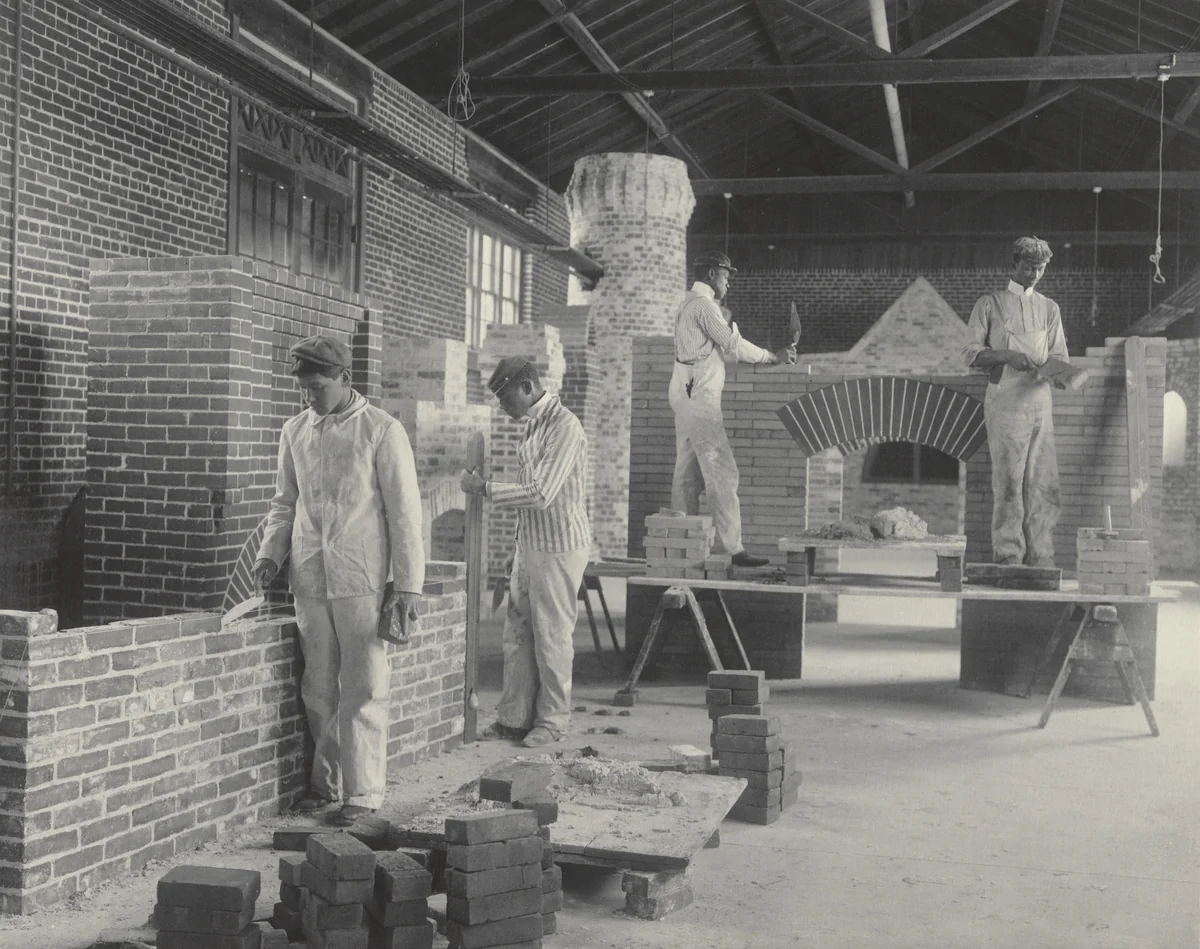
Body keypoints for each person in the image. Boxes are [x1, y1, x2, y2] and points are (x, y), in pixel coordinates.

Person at [253, 335, 424, 826]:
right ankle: (324, 785)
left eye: (318, 387)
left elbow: (405, 514)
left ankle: (363, 794)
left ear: (345, 379)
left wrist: (408, 584)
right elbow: (284, 502)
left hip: (361, 578)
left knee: (365, 687)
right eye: (304, 389)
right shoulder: (294, 430)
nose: (310, 397)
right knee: (318, 686)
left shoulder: (381, 430)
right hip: (309, 577)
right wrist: (271, 554)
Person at [460, 356, 590, 748]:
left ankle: (552, 721)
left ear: (527, 388)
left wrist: (485, 488)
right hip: (531, 545)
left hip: (559, 547)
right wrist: (517, 549)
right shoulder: (533, 425)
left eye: (504, 398)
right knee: (516, 634)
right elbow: (528, 490)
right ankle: (514, 718)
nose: (502, 407)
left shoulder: (565, 427)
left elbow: (541, 493)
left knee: (551, 636)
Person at [671, 250, 797, 568]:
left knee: (687, 475)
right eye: (726, 276)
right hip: (701, 400)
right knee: (723, 472)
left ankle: (676, 541)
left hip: (685, 396)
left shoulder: (687, 304)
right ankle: (734, 549)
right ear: (712, 274)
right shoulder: (703, 306)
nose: (728, 283)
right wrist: (773, 356)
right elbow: (732, 345)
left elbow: (713, 348)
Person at [963, 236, 1069, 567]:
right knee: (1009, 483)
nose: (1035, 274)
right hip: (1005, 404)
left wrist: (1061, 375)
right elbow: (969, 354)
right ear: (1014, 265)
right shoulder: (990, 304)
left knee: (1043, 483)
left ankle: (1041, 556)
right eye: (1029, 267)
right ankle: (1008, 555)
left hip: (1040, 404)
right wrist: (1007, 355)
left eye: (1041, 269)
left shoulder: (1050, 309)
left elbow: (1059, 356)